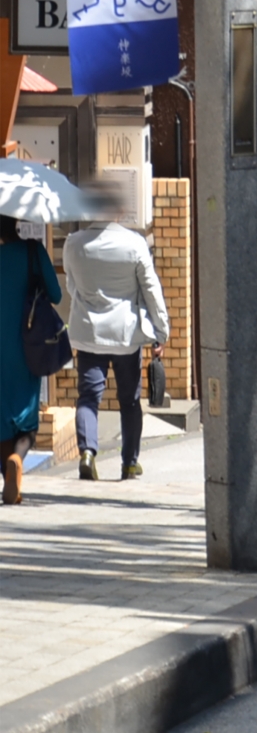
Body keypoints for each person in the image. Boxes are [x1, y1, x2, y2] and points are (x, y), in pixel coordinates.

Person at [64, 187, 168, 482]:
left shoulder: (73, 243)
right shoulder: (134, 244)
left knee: (88, 397)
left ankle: (87, 452)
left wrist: (88, 305)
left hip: (87, 332)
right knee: (129, 399)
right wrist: (161, 330)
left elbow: (72, 285)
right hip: (125, 335)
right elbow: (151, 289)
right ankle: (129, 462)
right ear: (119, 212)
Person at [0, 216, 60, 504]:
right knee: (27, 423)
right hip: (27, 345)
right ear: (17, 224)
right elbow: (57, 295)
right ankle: (18, 458)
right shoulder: (34, 252)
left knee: (0, 420)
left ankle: (10, 479)